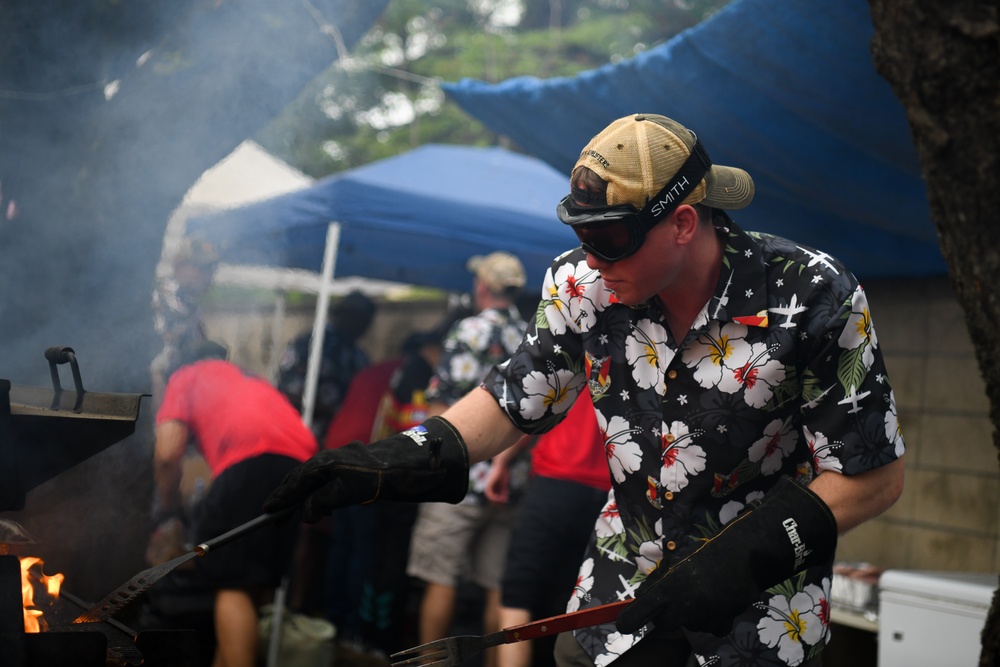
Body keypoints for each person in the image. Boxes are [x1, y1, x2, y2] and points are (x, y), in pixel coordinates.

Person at [264, 113, 906, 667]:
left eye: (608, 238)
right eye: (580, 233)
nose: (591, 258)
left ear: (682, 223)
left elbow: (874, 476)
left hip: (763, 615)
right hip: (617, 596)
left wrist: (749, 554)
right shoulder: (581, 286)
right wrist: (404, 456)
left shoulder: (812, 293)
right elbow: (518, 397)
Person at [152, 340, 318, 667]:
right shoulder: (250, 379)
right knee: (249, 584)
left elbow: (167, 456)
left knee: (231, 583)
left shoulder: (185, 376)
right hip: (303, 468)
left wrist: (167, 509)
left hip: (253, 465)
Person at [405, 251, 531, 667]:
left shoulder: (468, 329)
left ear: (482, 286)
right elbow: (534, 413)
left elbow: (441, 407)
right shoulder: (531, 334)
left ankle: (431, 666)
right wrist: (504, 464)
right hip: (508, 480)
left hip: (459, 477)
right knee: (499, 588)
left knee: (442, 579)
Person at [486, 390, 611, 667]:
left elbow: (531, 409)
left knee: (517, 600)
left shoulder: (577, 348)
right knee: (567, 609)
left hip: (555, 484)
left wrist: (501, 462)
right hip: (607, 498)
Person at [276, 289, 376, 441]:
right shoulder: (309, 344)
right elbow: (285, 392)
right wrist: (326, 410)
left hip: (339, 438)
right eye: (362, 320)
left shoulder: (356, 353)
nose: (365, 328)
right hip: (303, 434)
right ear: (344, 315)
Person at [150, 237, 219, 412]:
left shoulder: (192, 307)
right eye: (201, 268)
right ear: (180, 267)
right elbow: (156, 368)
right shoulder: (161, 299)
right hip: (157, 400)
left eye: (211, 269)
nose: (208, 275)